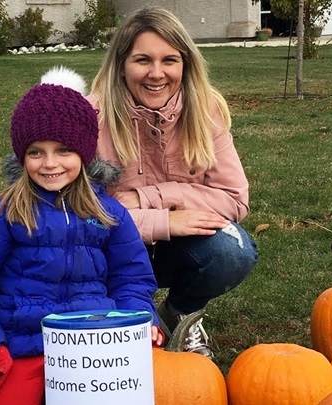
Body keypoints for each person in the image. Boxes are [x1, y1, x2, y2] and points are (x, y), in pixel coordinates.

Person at [0, 66, 163, 405]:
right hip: (24, 346)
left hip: (96, 344)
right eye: (36, 152)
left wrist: (140, 320)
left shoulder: (109, 213)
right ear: (21, 155)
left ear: (84, 153)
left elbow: (132, 276)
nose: (50, 164)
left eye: (63, 150)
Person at [88, 6, 258, 359]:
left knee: (232, 250)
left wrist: (149, 198)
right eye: (142, 60)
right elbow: (77, 217)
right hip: (108, 251)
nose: (156, 74)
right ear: (121, 64)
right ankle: (121, 314)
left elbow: (235, 199)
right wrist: (162, 220)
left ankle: (180, 312)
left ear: (185, 64)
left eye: (169, 60)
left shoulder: (204, 111)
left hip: (173, 248)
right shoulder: (91, 118)